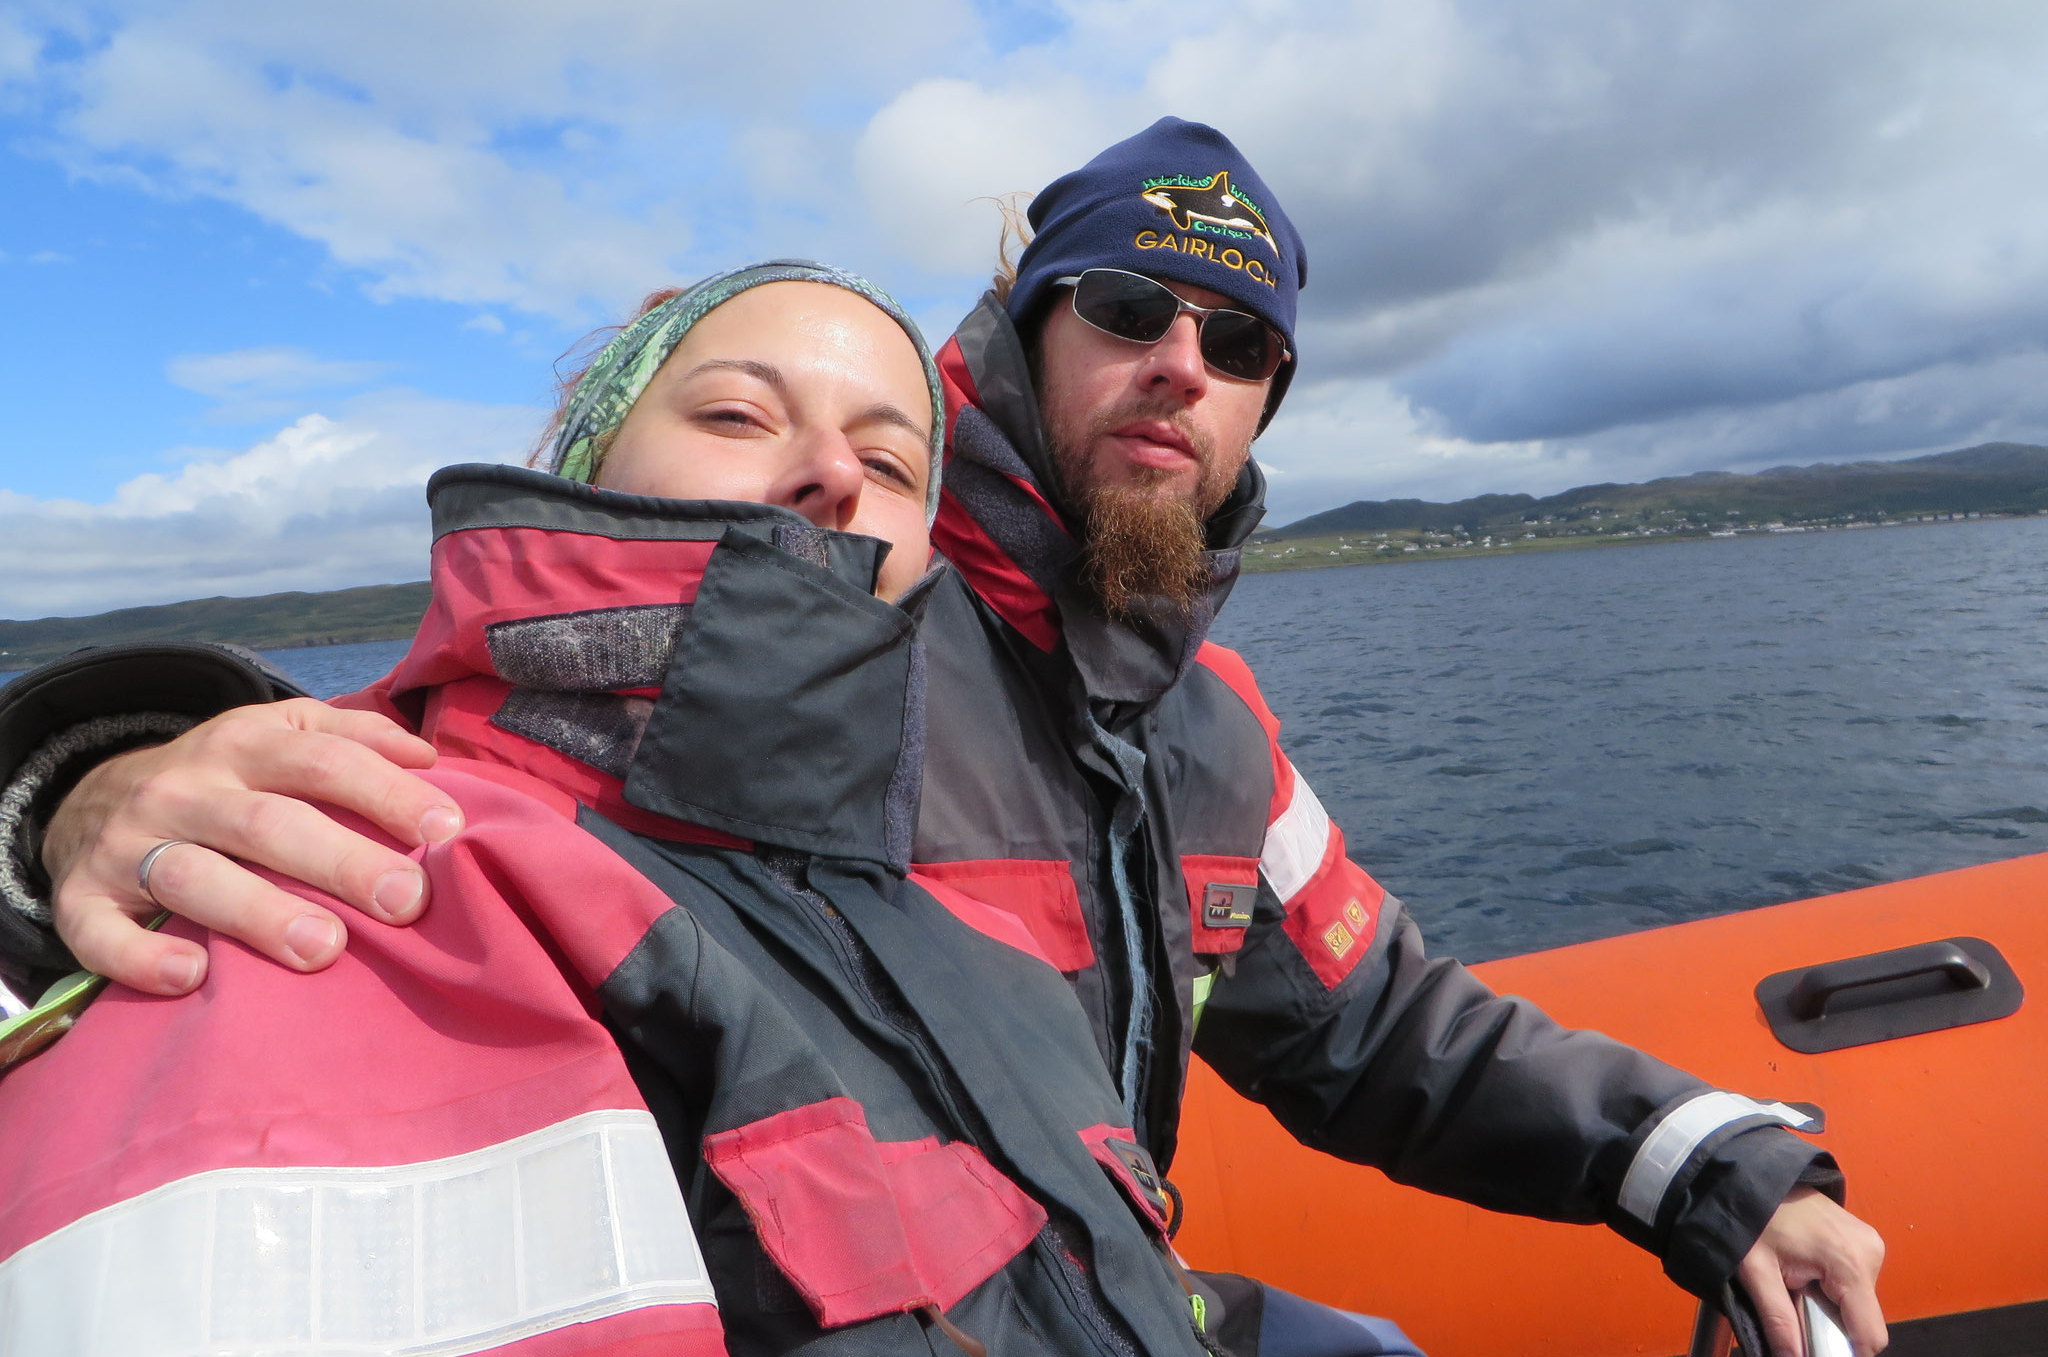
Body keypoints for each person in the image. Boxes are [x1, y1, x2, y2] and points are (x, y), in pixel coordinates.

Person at [0, 121, 1886, 1357]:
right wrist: (88, 780)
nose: (1182, 365)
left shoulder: (1207, 729)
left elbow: (1384, 1023)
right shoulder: (835, 651)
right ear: (1015, 336)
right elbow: (508, 747)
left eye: (1239, 348)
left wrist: (1709, 1162)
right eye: (1130, 306)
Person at [0, 261, 1224, 1357]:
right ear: (582, 465)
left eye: (894, 460)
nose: (836, 471)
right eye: (738, 413)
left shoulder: (984, 952)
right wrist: (65, 786)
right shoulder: (363, 864)